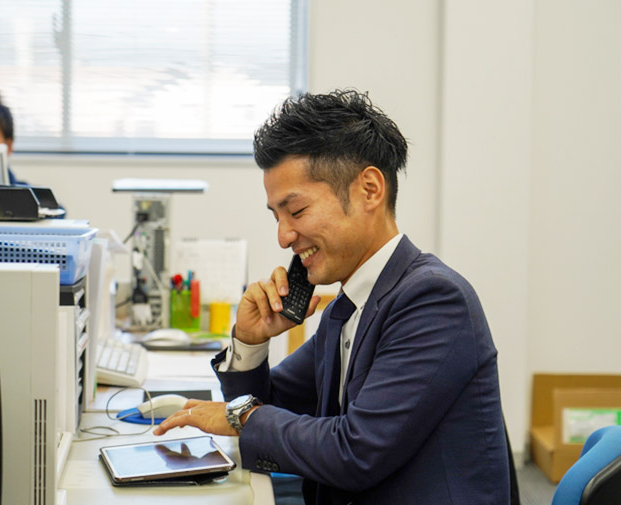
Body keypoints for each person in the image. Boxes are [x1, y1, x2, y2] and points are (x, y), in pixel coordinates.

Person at [154, 89, 510, 505]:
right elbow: (267, 407)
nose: (284, 236)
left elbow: (355, 453)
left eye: (297, 211)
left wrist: (240, 417)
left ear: (370, 190)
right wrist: (251, 342)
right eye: (278, 217)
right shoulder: (348, 304)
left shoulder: (433, 300)